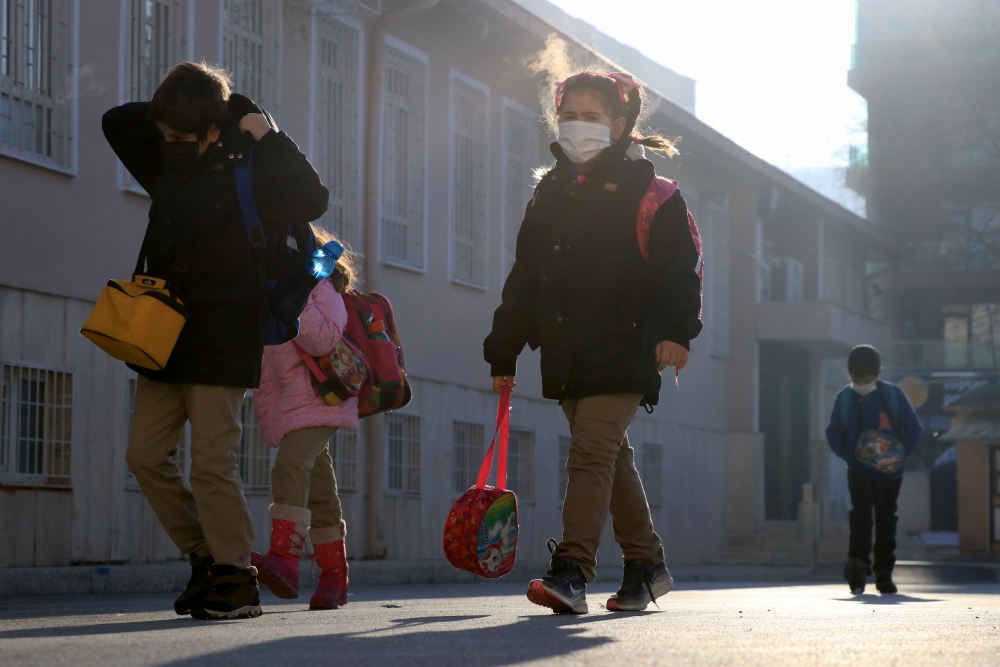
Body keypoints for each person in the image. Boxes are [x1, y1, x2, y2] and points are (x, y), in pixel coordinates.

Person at [103, 61, 329, 620]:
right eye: (165, 136)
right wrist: (185, 108)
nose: (169, 145)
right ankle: (207, 555)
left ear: (211, 131)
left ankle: (235, 579)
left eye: (182, 136)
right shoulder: (167, 162)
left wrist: (254, 123)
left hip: (226, 329)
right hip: (164, 328)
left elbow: (313, 198)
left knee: (211, 461)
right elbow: (116, 122)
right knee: (144, 455)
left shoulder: (252, 166)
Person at [483, 71, 703, 614]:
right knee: (610, 457)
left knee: (588, 455)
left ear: (621, 124)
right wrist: (504, 347)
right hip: (566, 349)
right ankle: (647, 565)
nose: (579, 126)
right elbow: (526, 277)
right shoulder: (550, 190)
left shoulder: (653, 193)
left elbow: (679, 271)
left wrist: (677, 332)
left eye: (593, 116)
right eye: (570, 116)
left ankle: (572, 571)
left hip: (626, 347)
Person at [250, 226, 358, 610]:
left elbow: (325, 338)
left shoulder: (319, 287)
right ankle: (334, 576)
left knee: (290, 465)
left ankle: (285, 559)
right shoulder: (266, 286)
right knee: (320, 488)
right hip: (292, 402)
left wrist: (297, 293)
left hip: (320, 398)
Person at [825, 344, 923, 595]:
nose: (862, 383)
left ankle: (884, 574)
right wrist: (848, 453)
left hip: (890, 473)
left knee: (886, 519)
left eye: (867, 379)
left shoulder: (893, 396)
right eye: (858, 380)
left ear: (879, 373)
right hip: (858, 470)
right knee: (859, 518)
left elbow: (914, 429)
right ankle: (857, 568)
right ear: (849, 375)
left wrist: (898, 456)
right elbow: (834, 432)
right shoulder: (844, 398)